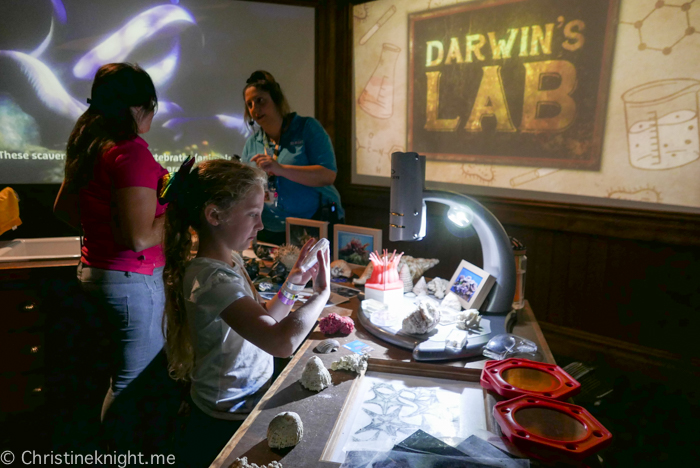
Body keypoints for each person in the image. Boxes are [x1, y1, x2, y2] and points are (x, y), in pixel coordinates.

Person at [161, 159, 330, 467]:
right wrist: (321, 295)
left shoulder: (230, 262)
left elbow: (267, 317)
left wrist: (294, 282)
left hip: (244, 406)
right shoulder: (211, 280)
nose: (261, 225)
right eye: (253, 214)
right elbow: (280, 341)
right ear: (214, 215)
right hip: (221, 419)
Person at [53, 63, 174, 447]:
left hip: (97, 273)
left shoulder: (91, 146)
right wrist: (178, 208)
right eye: (152, 107)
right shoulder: (130, 153)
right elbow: (140, 238)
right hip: (130, 281)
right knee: (132, 384)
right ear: (140, 108)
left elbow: (64, 209)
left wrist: (108, 223)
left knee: (117, 376)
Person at [241, 70, 344, 245]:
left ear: (277, 100)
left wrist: (280, 169)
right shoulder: (253, 143)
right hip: (269, 229)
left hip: (312, 224)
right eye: (249, 104)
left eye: (260, 101)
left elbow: (328, 175)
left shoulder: (307, 128)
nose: (255, 109)